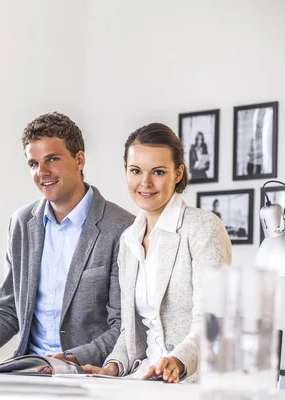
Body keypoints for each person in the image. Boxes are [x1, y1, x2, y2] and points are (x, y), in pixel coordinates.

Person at [0, 112, 134, 366]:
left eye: (52, 159)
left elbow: (124, 326)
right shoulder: (21, 223)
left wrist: (72, 358)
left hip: (88, 373)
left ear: (79, 159)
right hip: (28, 368)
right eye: (33, 164)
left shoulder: (121, 228)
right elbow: (9, 311)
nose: (42, 172)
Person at [82, 123, 232, 383]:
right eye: (136, 171)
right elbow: (131, 330)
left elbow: (213, 319)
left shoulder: (203, 228)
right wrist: (113, 367)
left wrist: (179, 361)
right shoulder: (129, 240)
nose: (145, 183)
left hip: (192, 382)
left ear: (178, 173)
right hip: (143, 379)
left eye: (158, 172)